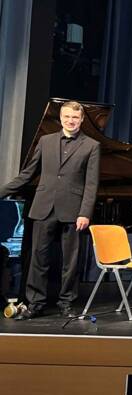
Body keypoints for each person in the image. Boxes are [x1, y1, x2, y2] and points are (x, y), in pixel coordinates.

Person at [0, 101, 100, 319]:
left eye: (75, 117)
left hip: (73, 210)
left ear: (82, 119)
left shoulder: (92, 145)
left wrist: (85, 212)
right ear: (60, 118)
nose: (70, 121)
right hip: (43, 206)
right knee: (39, 258)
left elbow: (91, 184)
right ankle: (35, 304)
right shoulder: (46, 141)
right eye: (67, 116)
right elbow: (27, 174)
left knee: (70, 262)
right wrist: (2, 191)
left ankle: (67, 303)